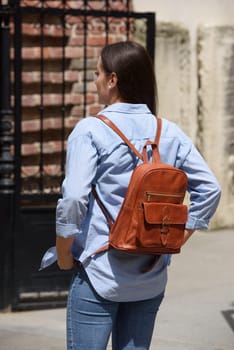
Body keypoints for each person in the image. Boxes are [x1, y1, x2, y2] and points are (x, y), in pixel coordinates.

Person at [55, 41, 221, 350]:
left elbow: (75, 197)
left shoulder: (90, 130)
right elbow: (210, 188)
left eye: (97, 74)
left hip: (99, 271)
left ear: (113, 79)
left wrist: (63, 252)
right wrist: (177, 238)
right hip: (150, 273)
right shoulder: (168, 130)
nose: (95, 80)